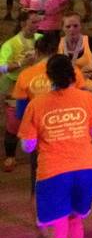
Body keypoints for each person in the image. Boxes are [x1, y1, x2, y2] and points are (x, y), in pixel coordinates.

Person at [18, 54, 92, 238]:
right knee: (76, 221)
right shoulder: (86, 98)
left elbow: (27, 145)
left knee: (57, 232)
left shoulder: (37, 104)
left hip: (53, 173)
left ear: (49, 76)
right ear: (72, 73)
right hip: (86, 169)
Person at [0, 10, 42, 171]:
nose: (36, 26)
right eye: (33, 22)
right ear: (23, 23)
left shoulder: (41, 40)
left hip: (36, 86)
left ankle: (39, 150)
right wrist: (20, 63)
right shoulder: (10, 44)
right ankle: (10, 156)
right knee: (14, 123)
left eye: (38, 23)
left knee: (38, 119)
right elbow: (1, 66)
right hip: (14, 87)